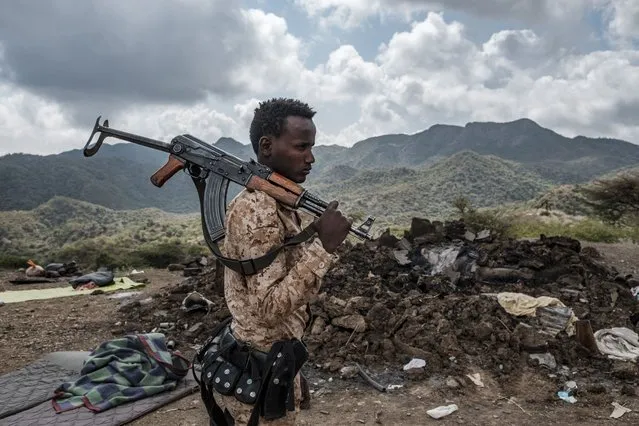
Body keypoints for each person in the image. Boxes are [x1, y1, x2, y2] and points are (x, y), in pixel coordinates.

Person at [200, 98, 352, 425]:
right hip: (260, 365)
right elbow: (270, 308)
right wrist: (323, 248)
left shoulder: (279, 203)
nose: (311, 158)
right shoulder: (258, 211)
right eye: (301, 147)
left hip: (273, 359)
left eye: (312, 147)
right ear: (267, 146)